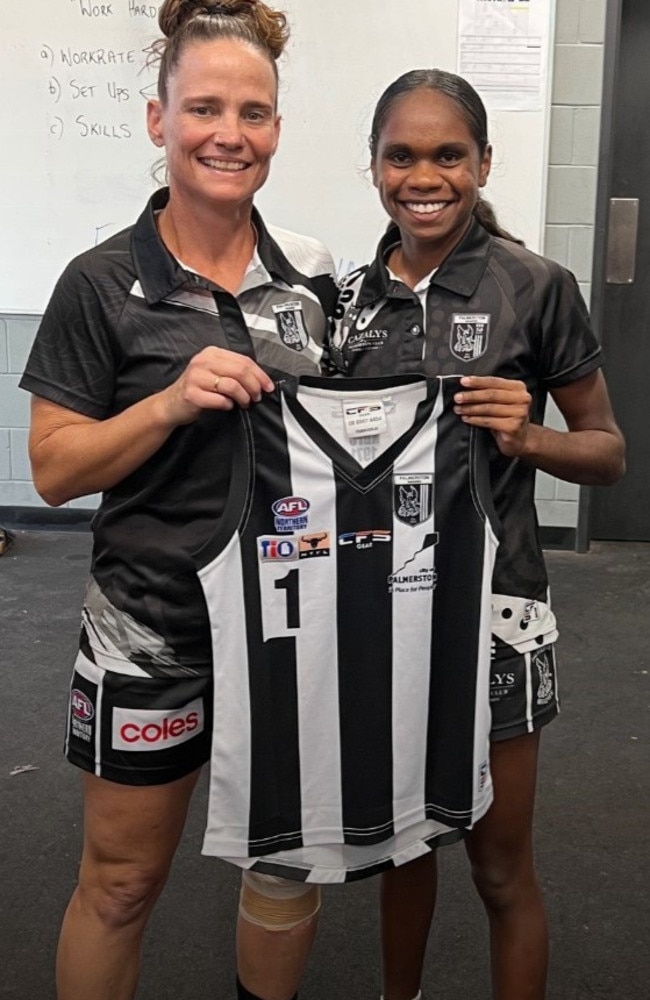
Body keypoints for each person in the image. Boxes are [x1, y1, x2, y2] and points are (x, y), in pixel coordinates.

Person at [19, 3, 338, 999]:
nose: (228, 134)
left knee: (285, 869)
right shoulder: (102, 282)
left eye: (254, 111)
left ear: (277, 128)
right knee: (118, 885)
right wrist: (164, 403)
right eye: (203, 107)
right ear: (158, 121)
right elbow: (56, 471)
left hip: (294, 624)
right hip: (150, 624)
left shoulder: (313, 274)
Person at [327, 69, 626, 1000]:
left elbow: (608, 454)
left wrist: (529, 433)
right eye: (401, 155)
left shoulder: (535, 285)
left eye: (448, 154)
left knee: (500, 868)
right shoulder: (342, 304)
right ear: (373, 166)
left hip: (500, 610)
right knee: (402, 847)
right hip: (379, 611)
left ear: (483, 162)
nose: (425, 175)